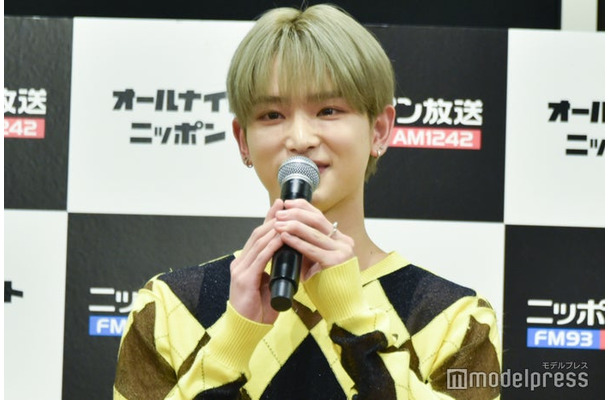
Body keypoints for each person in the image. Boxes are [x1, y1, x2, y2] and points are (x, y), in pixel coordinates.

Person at [113, 4, 501, 400]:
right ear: (243, 140)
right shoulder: (170, 307)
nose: (300, 138)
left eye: (328, 110)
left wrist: (354, 322)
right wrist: (232, 341)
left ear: (380, 130)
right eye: (272, 115)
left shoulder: (455, 319)